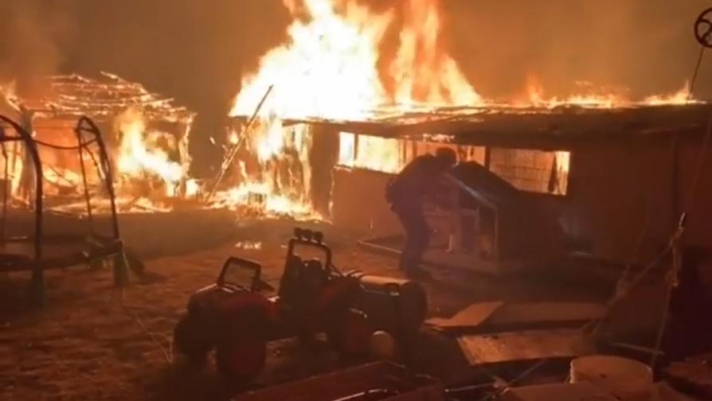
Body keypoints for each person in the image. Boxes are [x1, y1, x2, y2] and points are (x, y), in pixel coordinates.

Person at [386, 147, 457, 277]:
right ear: (444, 161)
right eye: (449, 164)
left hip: (404, 201)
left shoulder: (425, 162)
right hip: (406, 202)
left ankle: (405, 264)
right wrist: (445, 203)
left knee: (414, 233)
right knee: (421, 234)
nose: (448, 168)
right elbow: (429, 190)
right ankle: (412, 268)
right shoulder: (430, 168)